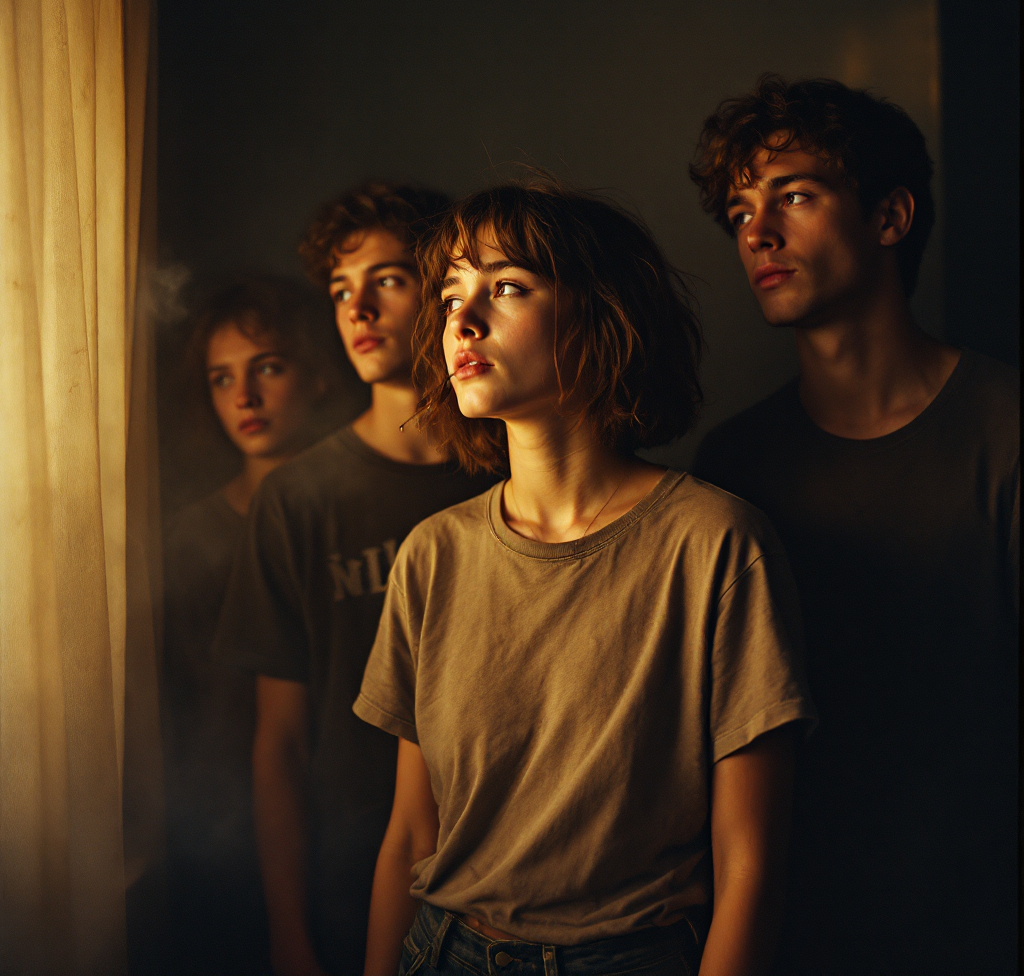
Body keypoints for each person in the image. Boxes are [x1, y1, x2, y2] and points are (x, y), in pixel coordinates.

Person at [354, 180, 817, 976]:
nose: (461, 320)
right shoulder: (433, 555)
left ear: (603, 313)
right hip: (443, 952)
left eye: (505, 287)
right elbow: (409, 837)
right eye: (450, 296)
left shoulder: (715, 545)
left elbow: (749, 863)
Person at [689, 75, 1019, 974]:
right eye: (740, 209)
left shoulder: (1005, 428)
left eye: (792, 195)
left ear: (889, 217)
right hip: (795, 925)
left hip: (983, 923)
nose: (756, 230)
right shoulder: (732, 469)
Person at [213, 183, 492, 976]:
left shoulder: (510, 469)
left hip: (498, 878)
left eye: (389, 280)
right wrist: (290, 931)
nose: (358, 309)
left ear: (442, 291)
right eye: (341, 290)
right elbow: (280, 741)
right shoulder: (297, 498)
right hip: (347, 875)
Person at [163, 275, 342, 975]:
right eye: (221, 378)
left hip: (356, 823)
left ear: (317, 374)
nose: (244, 397)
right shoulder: (185, 539)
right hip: (220, 834)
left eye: (267, 366)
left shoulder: (357, 513)